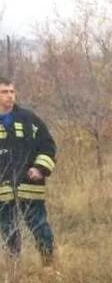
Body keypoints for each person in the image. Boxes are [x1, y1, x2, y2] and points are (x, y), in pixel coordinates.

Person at [0, 76, 58, 266]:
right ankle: (15, 271)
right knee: (8, 230)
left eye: (11, 91)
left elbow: (48, 145)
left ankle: (49, 265)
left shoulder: (29, 119)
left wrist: (40, 168)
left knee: (40, 226)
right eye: (4, 92)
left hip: (30, 186)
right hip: (3, 190)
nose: (9, 96)